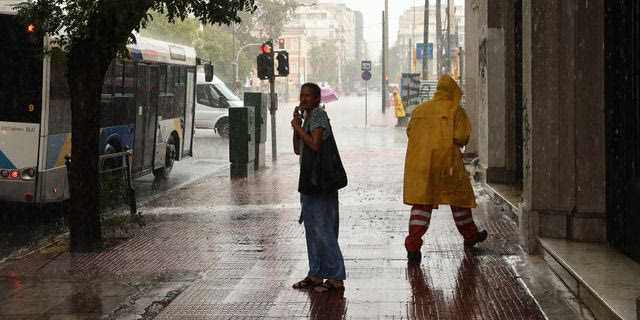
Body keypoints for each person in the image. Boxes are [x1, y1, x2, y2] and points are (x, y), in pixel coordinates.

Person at [403, 74, 488, 263]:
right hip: (447, 163)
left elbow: (410, 132)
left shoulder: (419, 110)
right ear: (452, 92)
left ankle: (413, 246)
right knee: (459, 199)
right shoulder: (454, 110)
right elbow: (462, 137)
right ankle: (470, 236)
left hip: (421, 164)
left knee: (422, 203)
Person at [291, 82, 346, 293]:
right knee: (312, 230)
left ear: (317, 99)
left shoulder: (319, 116)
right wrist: (297, 126)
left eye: (308, 96)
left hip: (321, 182)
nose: (303, 99)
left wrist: (298, 127)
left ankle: (336, 277)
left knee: (324, 229)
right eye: (301, 95)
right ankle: (316, 273)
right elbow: (298, 150)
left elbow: (315, 145)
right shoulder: (307, 118)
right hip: (309, 182)